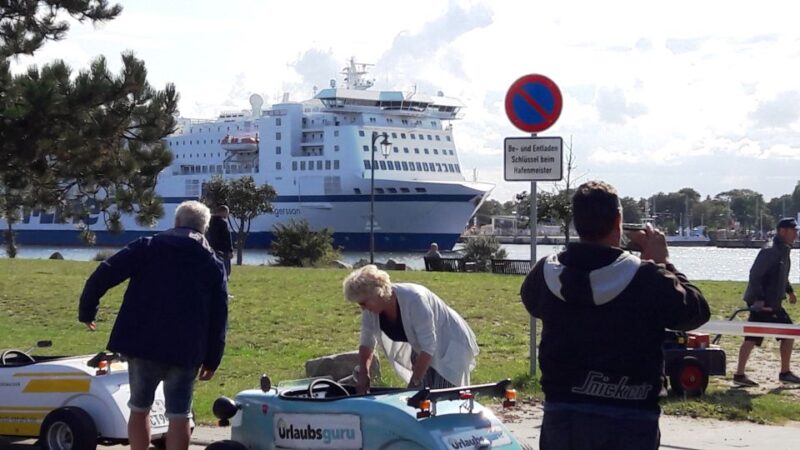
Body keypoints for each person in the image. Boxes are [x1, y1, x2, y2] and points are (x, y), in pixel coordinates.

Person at [520, 181, 709, 450]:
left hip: (564, 412)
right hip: (631, 413)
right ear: (618, 220)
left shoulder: (546, 273)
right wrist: (664, 263)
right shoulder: (647, 278)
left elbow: (532, 302)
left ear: (576, 223)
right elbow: (695, 312)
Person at [78, 201, 228, 450]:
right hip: (186, 348)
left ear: (176, 222)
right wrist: (213, 358)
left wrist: (87, 309)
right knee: (180, 414)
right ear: (205, 228)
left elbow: (105, 273)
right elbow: (219, 314)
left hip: (142, 343)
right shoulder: (212, 262)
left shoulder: (147, 246)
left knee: (139, 409)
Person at [343, 264, 479, 394]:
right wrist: (364, 373)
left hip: (450, 343)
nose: (362, 308)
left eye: (363, 303)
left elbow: (428, 346)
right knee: (421, 402)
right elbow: (367, 342)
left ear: (378, 294)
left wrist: (414, 384)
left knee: (444, 398)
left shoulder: (415, 300)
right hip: (422, 348)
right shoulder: (371, 310)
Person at [733, 217, 800, 387]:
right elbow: (754, 275)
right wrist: (759, 300)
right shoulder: (770, 250)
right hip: (761, 302)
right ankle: (741, 375)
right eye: (794, 230)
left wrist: (790, 292)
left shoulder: (784, 249)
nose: (796, 234)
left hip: (773, 303)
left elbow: (781, 275)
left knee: (784, 334)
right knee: (756, 338)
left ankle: (783, 373)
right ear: (782, 231)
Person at [206, 205, 234, 278]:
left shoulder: (208, 222)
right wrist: (230, 250)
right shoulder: (223, 223)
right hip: (223, 249)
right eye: (227, 213)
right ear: (223, 212)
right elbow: (227, 237)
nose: (227, 215)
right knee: (225, 268)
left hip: (211, 248)